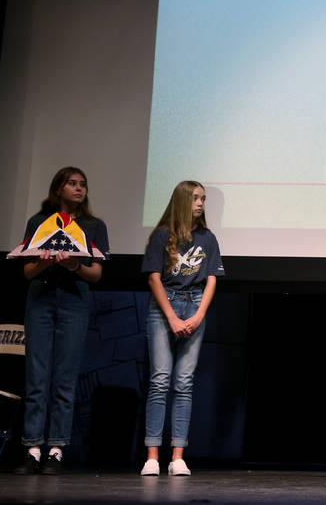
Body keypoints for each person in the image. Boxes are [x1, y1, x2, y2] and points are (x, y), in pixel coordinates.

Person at [15, 167, 108, 475]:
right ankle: (32, 448)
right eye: (72, 184)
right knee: (37, 374)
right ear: (58, 189)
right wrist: (43, 264)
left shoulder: (94, 226)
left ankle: (56, 449)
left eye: (83, 184)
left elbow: (95, 273)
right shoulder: (38, 222)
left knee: (65, 376)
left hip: (75, 299)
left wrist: (72, 265)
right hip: (41, 298)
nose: (79, 189)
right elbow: (27, 271)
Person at [140, 181, 223, 477]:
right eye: (196, 198)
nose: (201, 204)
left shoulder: (208, 238)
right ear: (181, 202)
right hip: (165, 307)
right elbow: (153, 278)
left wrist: (199, 315)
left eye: (203, 199)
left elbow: (212, 279)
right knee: (160, 379)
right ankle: (152, 456)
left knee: (184, 383)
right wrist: (172, 317)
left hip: (195, 304)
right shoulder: (162, 235)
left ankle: (177, 456)